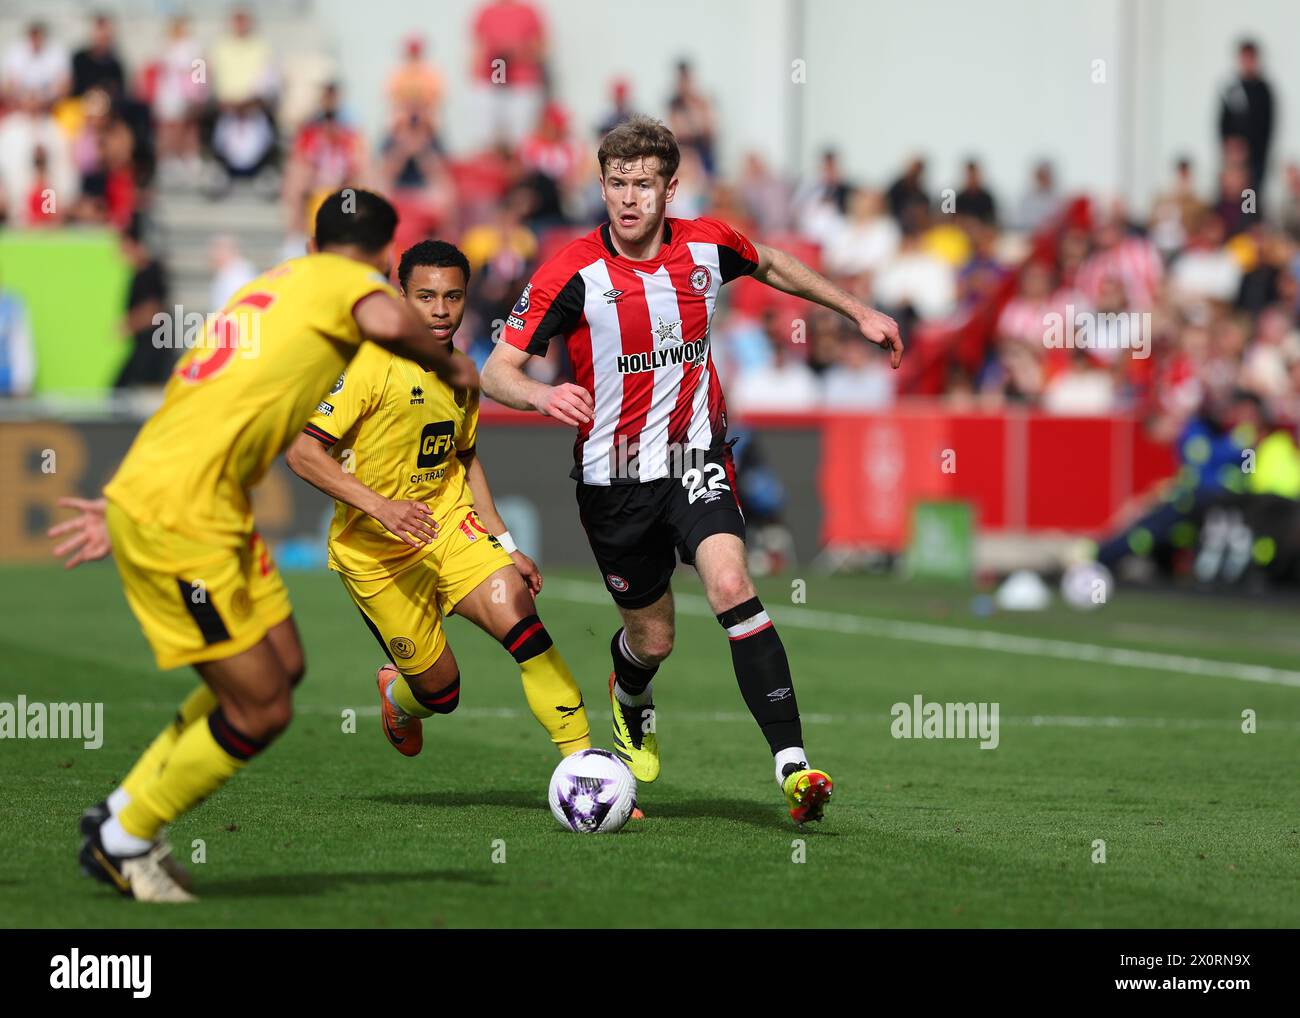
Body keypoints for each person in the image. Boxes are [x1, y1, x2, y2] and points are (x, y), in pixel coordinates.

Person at [48, 190, 473, 903]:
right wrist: (457, 368)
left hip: (197, 503)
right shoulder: (355, 287)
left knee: (284, 664)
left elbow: (197, 398)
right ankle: (123, 839)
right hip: (183, 520)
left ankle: (123, 816)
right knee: (260, 708)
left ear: (312, 244)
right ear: (380, 257)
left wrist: (126, 496)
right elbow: (376, 313)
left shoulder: (268, 289)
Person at [481, 116, 902, 825]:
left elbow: (767, 260)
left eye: (644, 184)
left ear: (671, 187)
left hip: (695, 456)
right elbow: (497, 371)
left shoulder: (707, 244)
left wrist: (856, 309)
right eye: (616, 183)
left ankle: (793, 767)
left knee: (732, 583)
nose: (628, 198)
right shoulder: (571, 273)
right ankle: (631, 697)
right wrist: (541, 393)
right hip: (612, 476)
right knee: (654, 640)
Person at [285, 240, 592, 760]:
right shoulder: (368, 364)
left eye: (452, 297)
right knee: (441, 693)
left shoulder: (463, 374)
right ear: (400, 296)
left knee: (526, 626)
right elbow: (300, 451)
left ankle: (585, 768)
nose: (440, 310)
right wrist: (382, 507)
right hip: (378, 555)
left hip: (449, 528)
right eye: (425, 296)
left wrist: (506, 544)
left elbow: (466, 458)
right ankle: (396, 696)